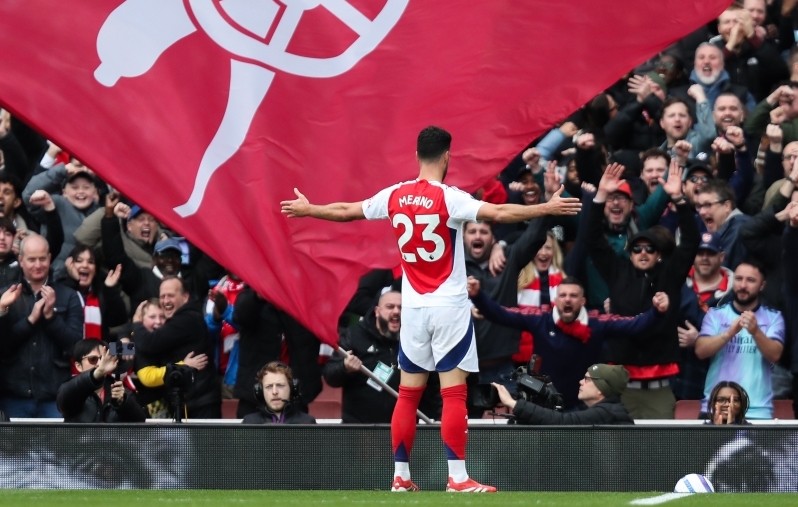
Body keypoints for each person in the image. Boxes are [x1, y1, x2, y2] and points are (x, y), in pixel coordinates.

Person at [281, 125, 581, 492]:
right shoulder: (449, 198)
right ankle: (457, 478)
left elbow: (347, 210)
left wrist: (309, 208)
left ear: (417, 155)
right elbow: (499, 213)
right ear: (447, 157)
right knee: (452, 392)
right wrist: (545, 208)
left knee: (408, 394)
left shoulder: (396, 194)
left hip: (414, 308)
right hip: (448, 306)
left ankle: (401, 477)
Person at [467, 276, 669, 410]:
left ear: (583, 301)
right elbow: (502, 315)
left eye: (573, 296)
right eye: (562, 295)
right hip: (544, 404)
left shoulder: (597, 322)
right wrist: (478, 297)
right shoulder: (540, 318)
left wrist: (657, 312)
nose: (567, 300)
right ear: (556, 300)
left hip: (584, 406)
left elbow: (634, 325)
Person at [0, 235, 83, 417]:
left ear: (50, 258)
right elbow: (3, 347)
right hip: (13, 395)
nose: (38, 265)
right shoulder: (5, 295)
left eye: (42, 258)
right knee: (12, 447)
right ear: (21, 261)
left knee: (58, 446)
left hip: (54, 397)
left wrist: (51, 318)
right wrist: (28, 321)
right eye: (31, 259)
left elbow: (76, 347)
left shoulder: (69, 296)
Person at [695, 259, 784, 419]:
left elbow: (775, 355)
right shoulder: (715, 314)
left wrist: (756, 331)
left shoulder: (773, 317)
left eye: (750, 280)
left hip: (756, 410)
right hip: (716, 407)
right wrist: (729, 333)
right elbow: (700, 351)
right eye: (739, 279)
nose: (743, 285)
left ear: (762, 285)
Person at [130, 276, 221, 419]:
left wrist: (134, 327)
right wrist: (127, 334)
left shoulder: (184, 320)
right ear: (142, 319)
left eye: (171, 295)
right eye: (152, 317)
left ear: (185, 297)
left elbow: (148, 345)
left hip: (195, 403)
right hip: (151, 406)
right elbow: (145, 374)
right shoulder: (138, 339)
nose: (158, 321)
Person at [492, 364, 633, 425]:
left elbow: (562, 422)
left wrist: (513, 404)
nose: (581, 382)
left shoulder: (607, 412)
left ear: (601, 389)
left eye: (587, 379)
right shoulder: (609, 411)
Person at [56, 340, 146, 423]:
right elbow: (64, 401)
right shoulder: (70, 389)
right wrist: (97, 374)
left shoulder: (119, 390)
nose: (100, 364)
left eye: (103, 359)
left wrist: (123, 402)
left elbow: (140, 421)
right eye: (93, 359)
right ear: (79, 366)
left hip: (112, 440)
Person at [242, 361, 316, 424]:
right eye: (269, 386)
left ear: (292, 388)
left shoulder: (307, 422)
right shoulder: (250, 422)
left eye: (280, 385)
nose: (275, 392)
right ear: (260, 391)